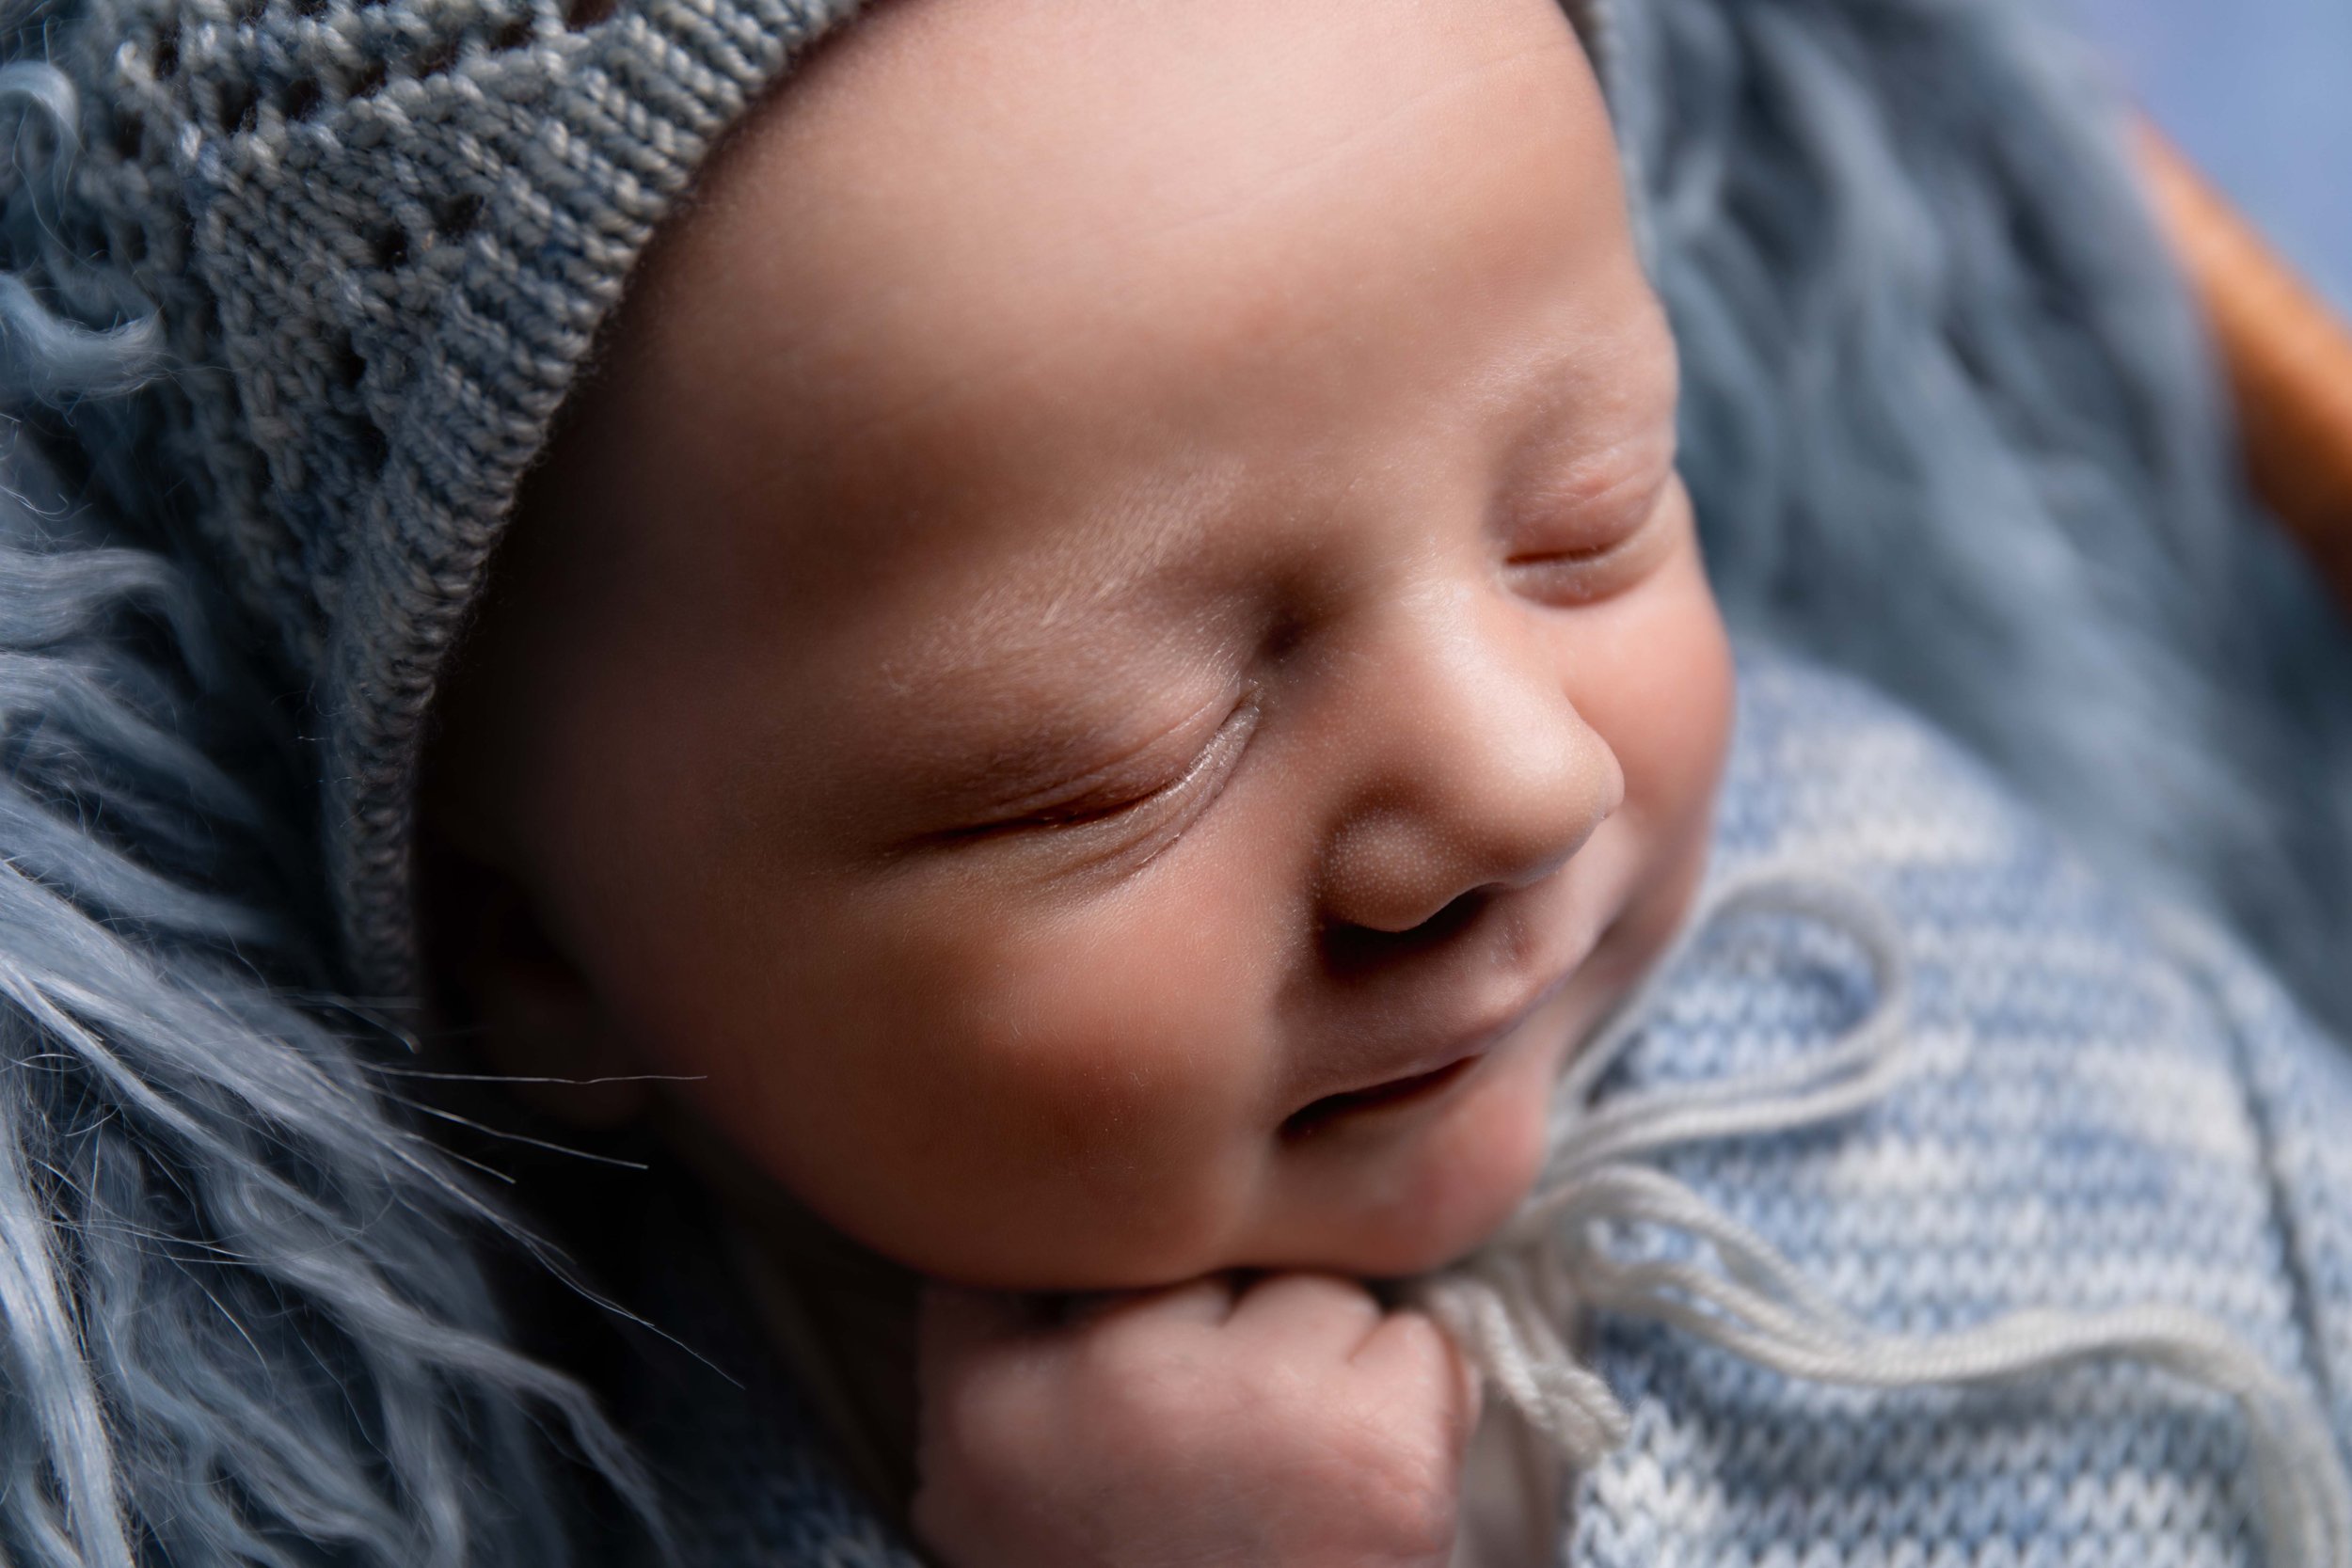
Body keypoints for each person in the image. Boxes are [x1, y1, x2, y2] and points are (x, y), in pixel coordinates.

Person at [1, 0, 2350, 1564]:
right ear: (541, 956)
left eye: (1592, 510)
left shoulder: (1938, 883)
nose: (1521, 782)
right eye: (1100, 764)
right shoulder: (695, 1470)